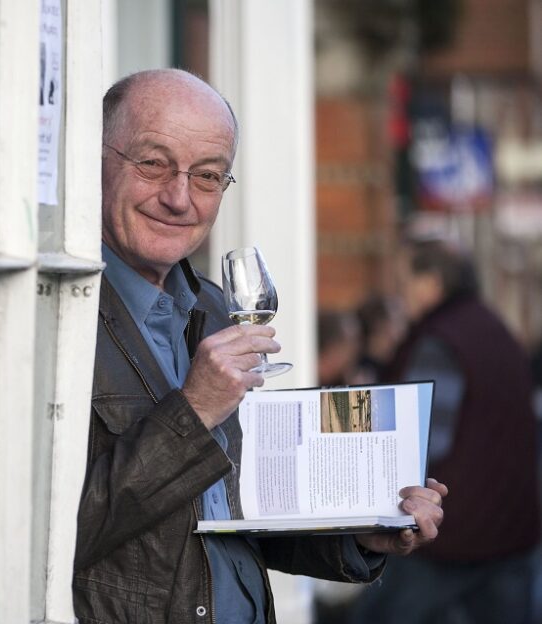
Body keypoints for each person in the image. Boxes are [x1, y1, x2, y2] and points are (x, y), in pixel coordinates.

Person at [74, 68, 448, 623]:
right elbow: (54, 533)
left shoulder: (212, 309)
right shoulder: (65, 316)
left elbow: (239, 519)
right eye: (153, 163)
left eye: (206, 176)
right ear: (94, 157)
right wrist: (195, 409)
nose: (179, 198)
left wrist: (365, 535)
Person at [348, 238, 540, 624]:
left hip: (452, 534)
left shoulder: (440, 341)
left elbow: (421, 439)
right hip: (511, 526)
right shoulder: (491, 325)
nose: (400, 295)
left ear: (431, 283)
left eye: (405, 282)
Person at [317, 309, 362, 387]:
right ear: (332, 348)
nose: (352, 357)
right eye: (348, 348)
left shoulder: (341, 380)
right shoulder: (301, 379)